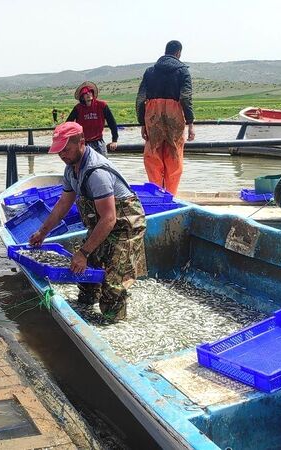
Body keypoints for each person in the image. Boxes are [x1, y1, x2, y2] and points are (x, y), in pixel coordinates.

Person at [29, 122, 147, 322]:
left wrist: (83, 252)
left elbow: (109, 218)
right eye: (59, 151)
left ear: (82, 143)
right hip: (102, 223)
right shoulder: (71, 169)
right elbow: (63, 204)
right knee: (86, 276)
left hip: (124, 225)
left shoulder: (96, 172)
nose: (62, 155)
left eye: (66, 149)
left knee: (113, 284)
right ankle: (85, 311)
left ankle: (114, 324)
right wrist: (42, 232)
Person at [136, 40, 195, 195]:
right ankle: (170, 195)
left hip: (153, 116)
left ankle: (156, 194)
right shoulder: (183, 71)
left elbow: (140, 99)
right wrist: (190, 123)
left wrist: (142, 122)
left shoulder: (150, 72)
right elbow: (185, 98)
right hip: (173, 115)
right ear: (178, 53)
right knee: (174, 155)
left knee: (153, 156)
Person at [66, 81, 118, 156]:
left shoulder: (102, 105)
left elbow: (112, 123)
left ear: (93, 93)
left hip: (98, 142)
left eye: (90, 92)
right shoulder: (78, 108)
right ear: (82, 97)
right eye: (85, 93)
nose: (88, 94)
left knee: (103, 165)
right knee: (84, 166)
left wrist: (114, 140)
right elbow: (68, 124)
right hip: (84, 144)